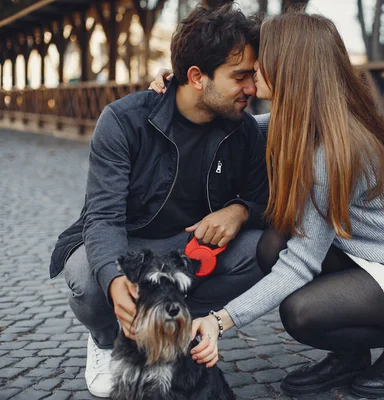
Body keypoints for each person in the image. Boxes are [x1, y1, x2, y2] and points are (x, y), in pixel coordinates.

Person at [151, 11, 384, 399]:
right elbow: (233, 127)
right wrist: (181, 87)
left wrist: (219, 319)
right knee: (271, 245)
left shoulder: (329, 152)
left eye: (263, 57)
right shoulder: (293, 123)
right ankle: (351, 355)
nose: (254, 65)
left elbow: (300, 263)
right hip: (367, 255)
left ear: (289, 66)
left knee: (300, 312)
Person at [48, 5, 268, 398]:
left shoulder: (245, 130)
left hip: (191, 253)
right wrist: (115, 280)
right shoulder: (124, 120)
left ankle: (183, 328)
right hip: (132, 245)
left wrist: (241, 210)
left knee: (267, 247)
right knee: (88, 272)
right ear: (198, 78)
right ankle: (105, 340)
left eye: (252, 76)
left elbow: (265, 199)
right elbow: (103, 217)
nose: (251, 88)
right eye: (240, 77)